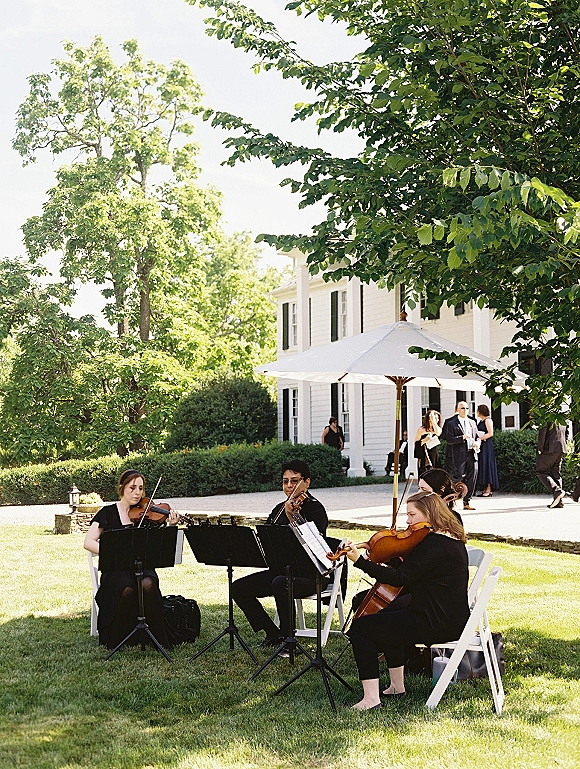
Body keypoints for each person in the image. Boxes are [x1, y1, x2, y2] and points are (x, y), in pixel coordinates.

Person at [342, 491, 469, 710]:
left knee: (361, 628)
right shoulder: (448, 539)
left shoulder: (434, 544)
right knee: (384, 616)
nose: (408, 522)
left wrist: (360, 561)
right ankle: (396, 686)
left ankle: (371, 700)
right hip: (448, 618)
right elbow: (412, 573)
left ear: (429, 514)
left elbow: (400, 578)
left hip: (436, 623)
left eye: (412, 515)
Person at [231, 460, 328, 651]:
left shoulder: (316, 509)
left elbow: (313, 544)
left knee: (280, 583)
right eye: (285, 481)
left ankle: (289, 639)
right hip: (281, 570)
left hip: (310, 574)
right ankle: (272, 632)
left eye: (294, 481)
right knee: (238, 588)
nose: (289, 486)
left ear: (307, 482)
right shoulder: (279, 509)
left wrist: (293, 517)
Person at [83, 469, 180, 650]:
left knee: (148, 583)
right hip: (116, 571)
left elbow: (158, 545)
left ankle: (160, 638)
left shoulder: (146, 514)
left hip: (142, 567)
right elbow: (88, 542)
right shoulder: (107, 513)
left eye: (141, 488)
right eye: (132, 487)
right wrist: (113, 553)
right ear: (122, 488)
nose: (137, 493)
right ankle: (117, 637)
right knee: (126, 588)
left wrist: (171, 526)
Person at [441, 401, 480, 510]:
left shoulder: (472, 422)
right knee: (457, 478)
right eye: (462, 408)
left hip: (472, 453)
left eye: (467, 408)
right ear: (457, 410)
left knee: (472, 477)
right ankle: (450, 501)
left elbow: (477, 437)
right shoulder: (452, 423)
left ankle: (466, 502)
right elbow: (448, 439)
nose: (465, 410)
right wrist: (462, 438)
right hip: (458, 455)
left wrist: (477, 443)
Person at [536, 422, 568, 508]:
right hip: (561, 448)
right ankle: (559, 502)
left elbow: (542, 433)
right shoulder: (561, 416)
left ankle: (557, 491)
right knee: (556, 473)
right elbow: (566, 433)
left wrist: (540, 448)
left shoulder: (546, 416)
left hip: (550, 448)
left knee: (540, 471)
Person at [476, 404, 499, 497]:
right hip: (482, 445)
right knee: (483, 465)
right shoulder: (481, 421)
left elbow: (490, 433)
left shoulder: (488, 420)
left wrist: (480, 438)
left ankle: (489, 488)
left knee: (488, 464)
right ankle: (485, 487)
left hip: (487, 445)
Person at [413, 410, 442, 476]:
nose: (437, 420)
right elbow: (416, 444)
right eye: (435, 418)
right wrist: (424, 440)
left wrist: (433, 422)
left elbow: (438, 433)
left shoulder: (437, 429)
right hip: (425, 455)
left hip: (434, 454)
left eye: (438, 418)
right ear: (429, 419)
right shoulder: (421, 430)